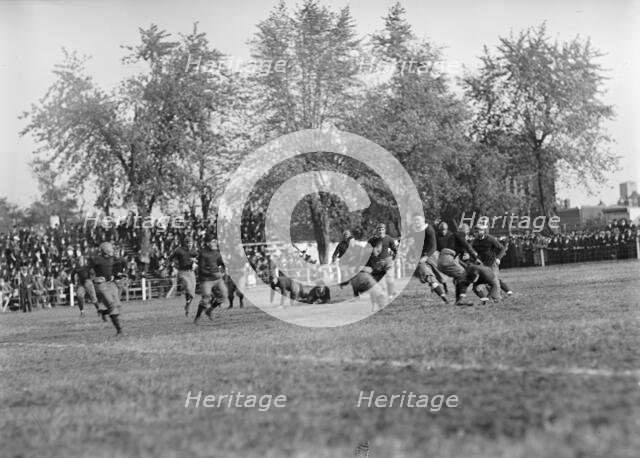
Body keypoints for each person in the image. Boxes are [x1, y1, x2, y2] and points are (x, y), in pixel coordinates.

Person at [408, 213, 448, 304]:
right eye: (415, 220)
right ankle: (441, 292)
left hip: (431, 254)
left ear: (423, 219)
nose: (416, 222)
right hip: (420, 257)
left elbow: (433, 246)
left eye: (418, 219)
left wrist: (426, 257)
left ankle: (442, 286)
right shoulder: (414, 229)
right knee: (427, 276)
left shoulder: (429, 229)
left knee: (437, 275)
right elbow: (413, 240)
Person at [435, 221, 478, 306]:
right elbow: (466, 245)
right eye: (467, 233)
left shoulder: (454, 238)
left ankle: (458, 300)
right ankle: (460, 299)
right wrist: (474, 255)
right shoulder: (460, 233)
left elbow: (462, 251)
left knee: (459, 278)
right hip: (447, 258)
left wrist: (466, 254)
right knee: (464, 276)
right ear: (466, 231)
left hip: (443, 259)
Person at [88, 242, 124, 334]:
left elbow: (110, 270)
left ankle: (103, 312)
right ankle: (119, 330)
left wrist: (116, 275)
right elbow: (88, 270)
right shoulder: (96, 259)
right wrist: (93, 278)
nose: (112, 250)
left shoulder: (111, 259)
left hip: (110, 284)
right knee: (112, 305)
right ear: (106, 250)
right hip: (101, 285)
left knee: (118, 305)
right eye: (110, 248)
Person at [471, 222, 513, 298]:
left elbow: (502, 249)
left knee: (494, 281)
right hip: (483, 265)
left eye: (477, 231)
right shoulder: (475, 242)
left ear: (483, 231)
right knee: (486, 282)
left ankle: (499, 295)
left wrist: (498, 258)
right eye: (475, 232)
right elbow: (472, 251)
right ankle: (501, 293)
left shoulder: (490, 239)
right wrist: (475, 258)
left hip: (492, 264)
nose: (475, 233)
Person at [194, 236, 227, 323]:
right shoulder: (203, 253)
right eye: (213, 242)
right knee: (206, 298)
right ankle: (197, 317)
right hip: (206, 279)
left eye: (215, 241)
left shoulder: (216, 252)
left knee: (224, 295)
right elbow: (201, 269)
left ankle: (209, 310)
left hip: (217, 279)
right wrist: (213, 274)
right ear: (208, 243)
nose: (215, 243)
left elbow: (221, 262)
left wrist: (224, 269)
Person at [350, 240, 388, 312]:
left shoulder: (366, 254)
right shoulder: (371, 255)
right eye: (379, 248)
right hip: (364, 277)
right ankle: (380, 307)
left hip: (359, 278)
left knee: (374, 290)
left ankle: (375, 307)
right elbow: (375, 269)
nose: (379, 250)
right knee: (380, 292)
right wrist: (384, 268)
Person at [367, 223, 398, 298]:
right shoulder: (372, 240)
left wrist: (395, 259)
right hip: (377, 263)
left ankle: (390, 294)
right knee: (379, 281)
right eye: (379, 229)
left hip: (387, 261)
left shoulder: (389, 239)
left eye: (382, 229)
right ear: (376, 230)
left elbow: (395, 250)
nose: (380, 231)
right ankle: (382, 295)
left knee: (389, 278)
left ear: (385, 230)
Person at [169, 236, 197, 316]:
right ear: (185, 243)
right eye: (189, 243)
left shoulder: (193, 251)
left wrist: (195, 263)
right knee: (188, 287)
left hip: (191, 272)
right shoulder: (179, 250)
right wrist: (173, 266)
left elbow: (198, 259)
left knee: (192, 294)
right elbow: (170, 257)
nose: (190, 245)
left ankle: (187, 306)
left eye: (191, 243)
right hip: (182, 272)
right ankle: (187, 300)